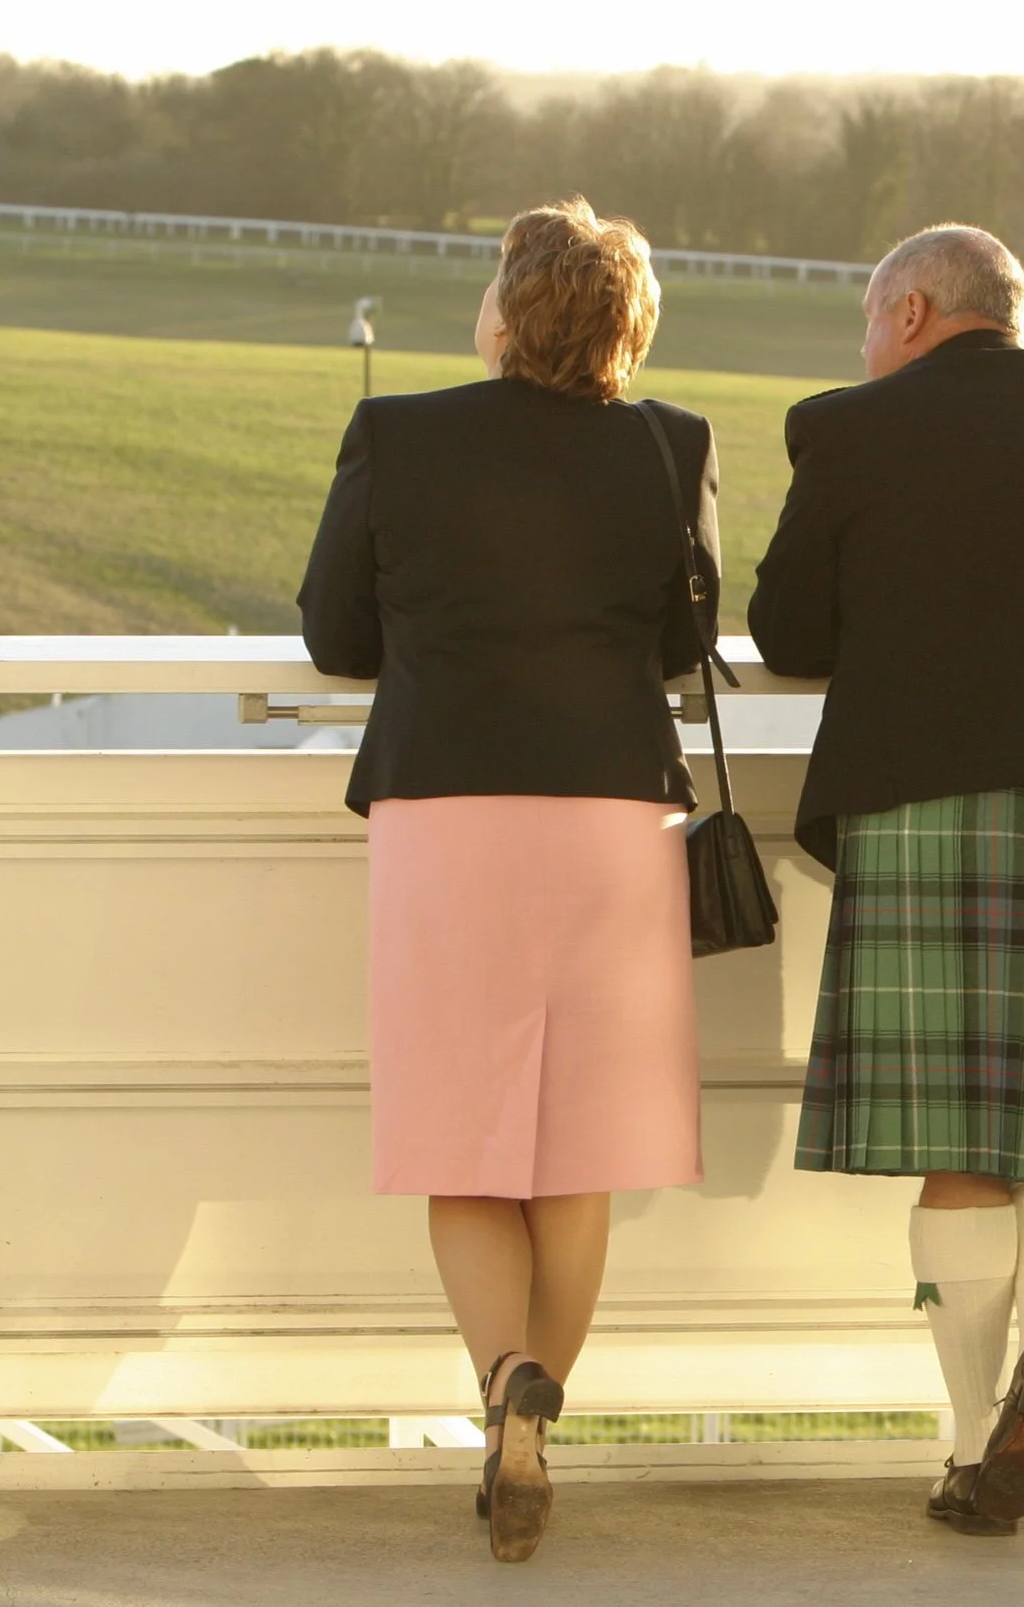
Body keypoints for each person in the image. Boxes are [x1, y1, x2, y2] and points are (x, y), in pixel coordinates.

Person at [749, 224, 1024, 1537]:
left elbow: (786, 636)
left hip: (921, 797)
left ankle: (966, 1442)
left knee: (954, 1139)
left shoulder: (851, 428)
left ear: (908, 310)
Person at [296, 198, 718, 1564]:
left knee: (464, 1137)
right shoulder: (671, 445)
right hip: (609, 817)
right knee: (577, 1152)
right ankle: (538, 1413)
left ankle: (499, 1397)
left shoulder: (399, 435)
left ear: (506, 310)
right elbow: (679, 637)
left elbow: (333, 632)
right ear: (626, 327)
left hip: (449, 810)